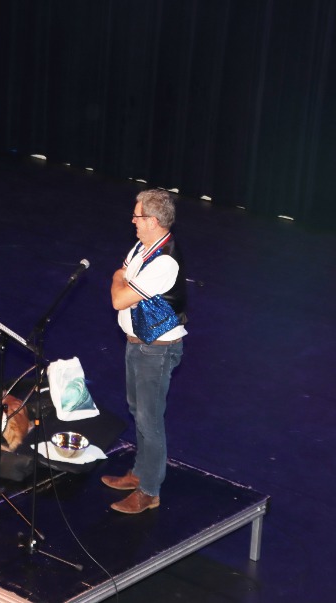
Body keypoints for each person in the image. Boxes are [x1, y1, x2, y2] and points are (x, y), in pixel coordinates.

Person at [102, 188, 187, 514]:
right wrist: (121, 279)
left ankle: (150, 491)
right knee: (138, 411)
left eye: (137, 216)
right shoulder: (144, 246)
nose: (133, 221)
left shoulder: (164, 262)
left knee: (150, 420)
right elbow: (121, 276)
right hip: (138, 343)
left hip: (156, 351)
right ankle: (140, 473)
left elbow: (119, 298)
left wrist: (119, 280)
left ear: (152, 220)